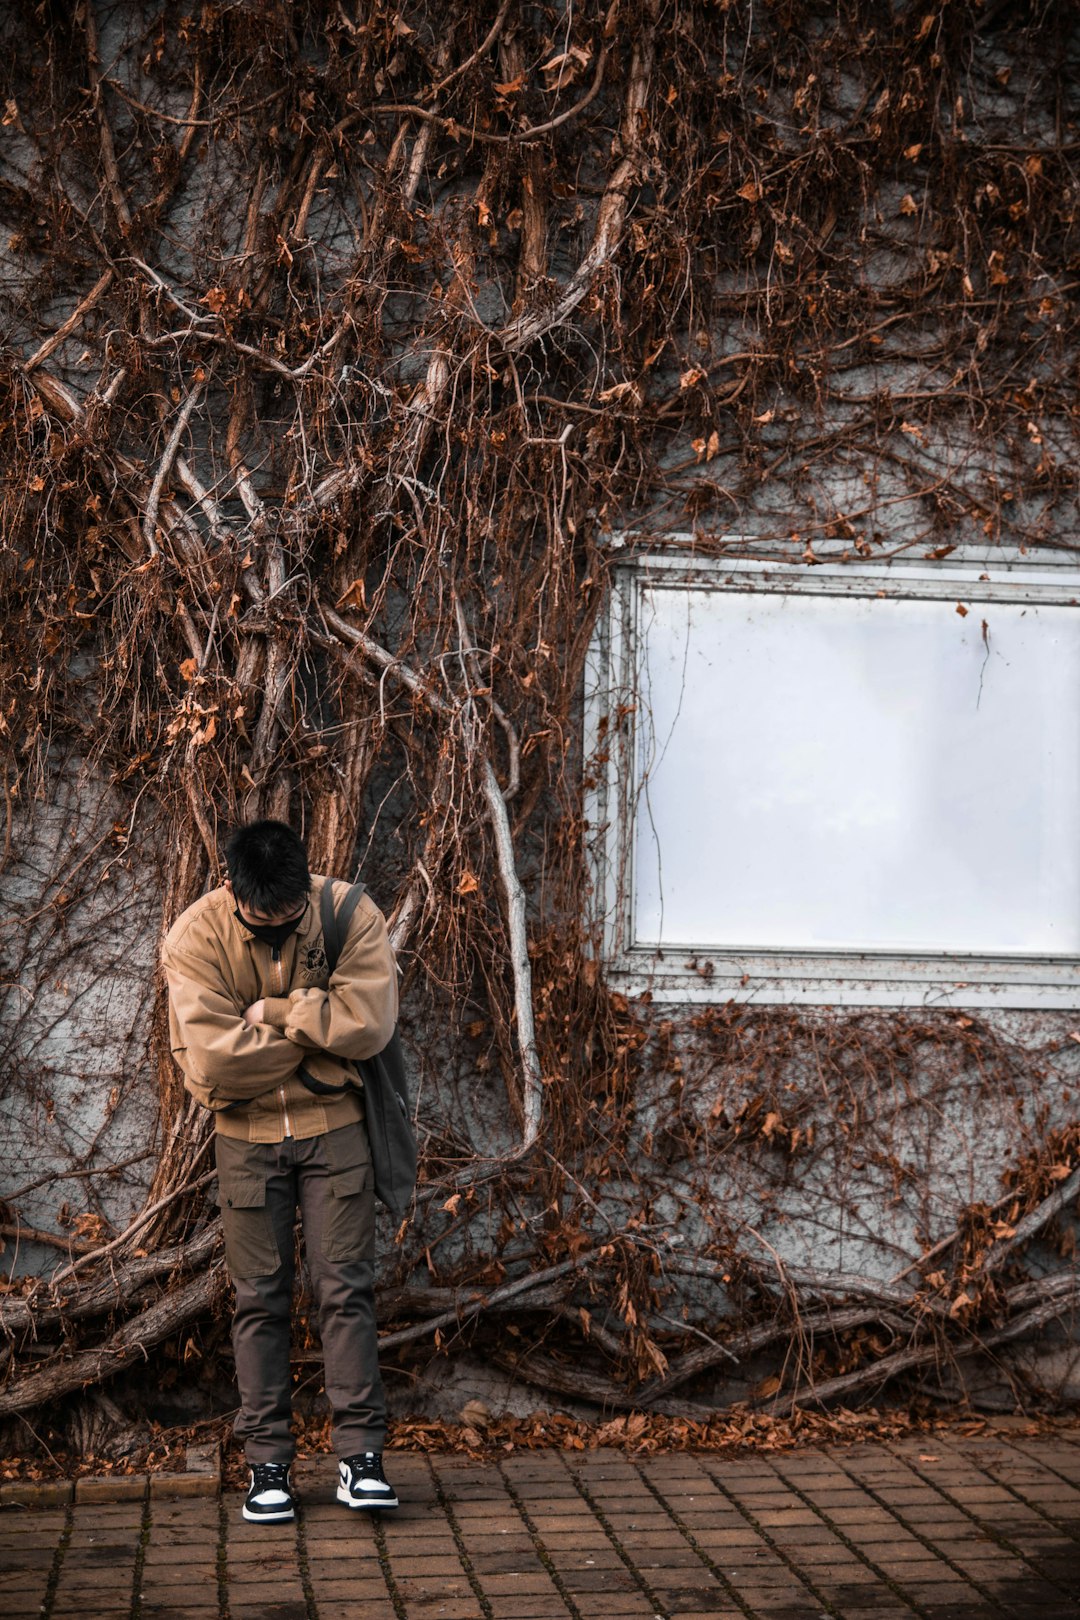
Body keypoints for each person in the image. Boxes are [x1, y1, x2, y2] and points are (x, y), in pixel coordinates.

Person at [162, 819, 400, 1523]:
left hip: (337, 1136)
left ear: (305, 887)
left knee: (345, 1292)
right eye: (263, 917)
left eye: (290, 916)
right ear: (233, 890)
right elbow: (211, 1062)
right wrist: (316, 1037)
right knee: (258, 1300)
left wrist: (265, 1013)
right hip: (246, 1140)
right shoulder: (194, 937)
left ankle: (361, 1460)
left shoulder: (349, 913)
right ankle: (268, 1466)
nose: (278, 925)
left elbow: (371, 1024)